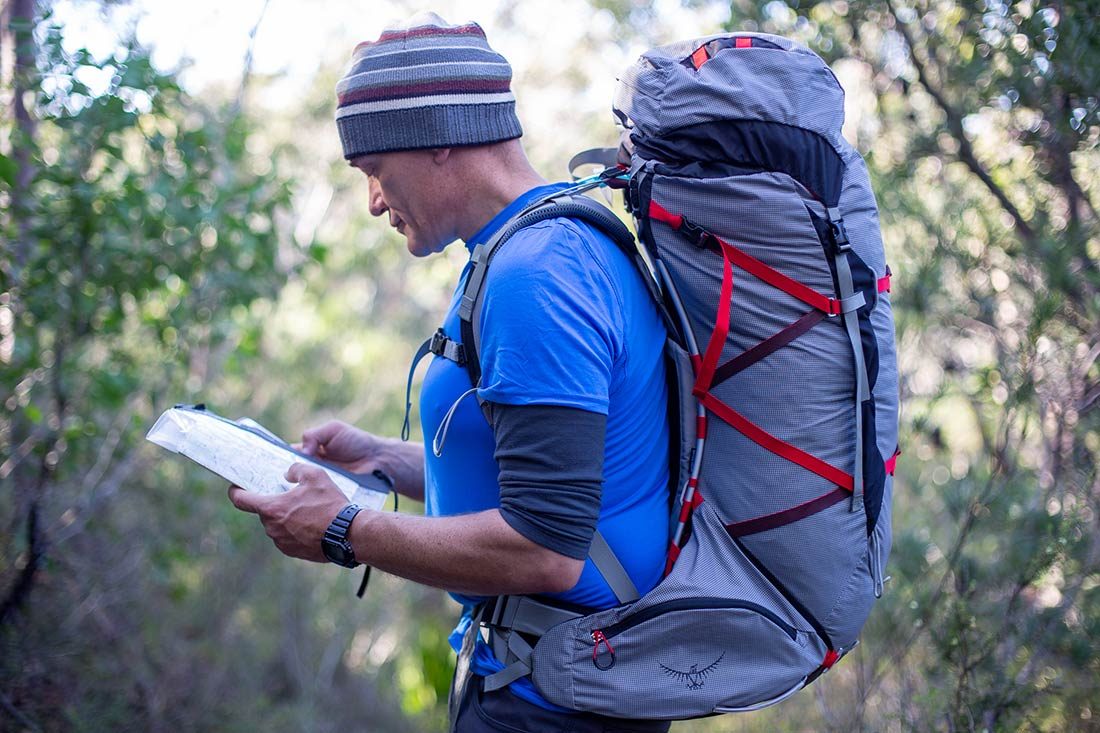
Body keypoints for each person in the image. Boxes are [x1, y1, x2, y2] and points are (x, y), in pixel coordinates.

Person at [228, 14, 672, 732]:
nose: (373, 199)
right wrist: (379, 458)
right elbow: (537, 472)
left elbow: (546, 547)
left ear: (439, 139)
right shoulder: (535, 247)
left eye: (374, 169)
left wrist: (344, 529)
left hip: (557, 706)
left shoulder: (538, 274)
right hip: (547, 682)